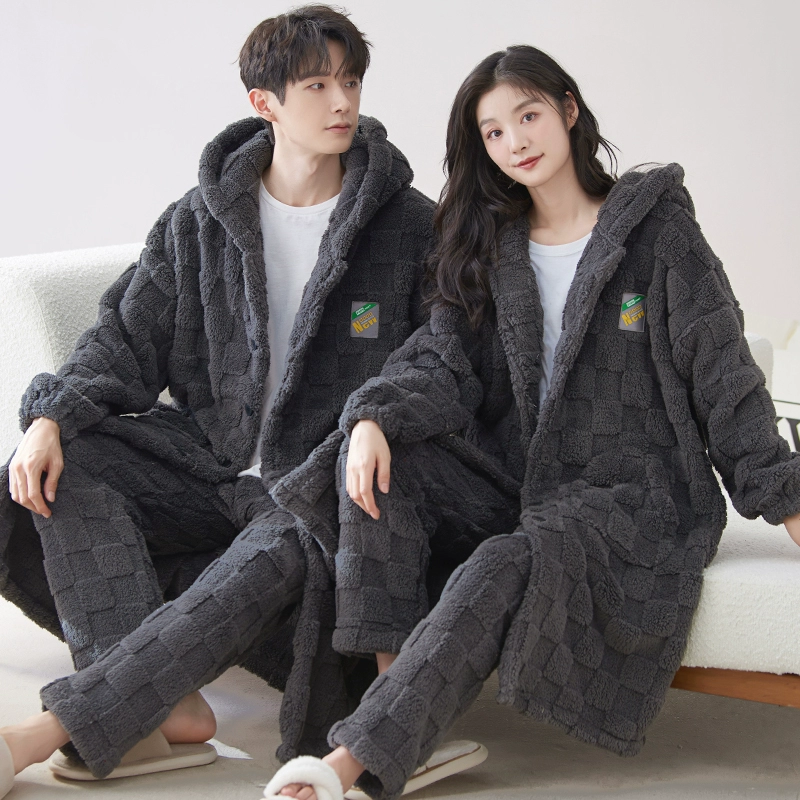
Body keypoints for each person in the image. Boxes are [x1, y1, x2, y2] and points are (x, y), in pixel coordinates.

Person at [263, 44, 800, 800]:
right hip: (519, 482)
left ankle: (352, 761)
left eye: (528, 116)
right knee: (382, 468)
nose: (515, 141)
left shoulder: (658, 237)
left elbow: (725, 379)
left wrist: (788, 502)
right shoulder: (491, 245)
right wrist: (373, 418)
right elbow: (441, 360)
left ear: (568, 111)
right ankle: (397, 707)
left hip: (634, 496)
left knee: (500, 561)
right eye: (493, 132)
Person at [0, 5, 482, 795]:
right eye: (317, 85)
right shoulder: (199, 222)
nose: (342, 102)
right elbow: (124, 337)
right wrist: (50, 416)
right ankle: (162, 709)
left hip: (317, 479)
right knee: (54, 466)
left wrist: (376, 414)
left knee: (288, 530)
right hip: (208, 465)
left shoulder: (409, 226)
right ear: (265, 102)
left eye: (351, 81)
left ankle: (53, 730)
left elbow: (445, 353)